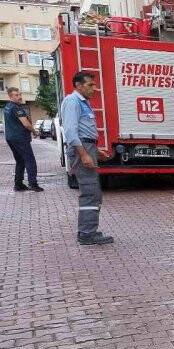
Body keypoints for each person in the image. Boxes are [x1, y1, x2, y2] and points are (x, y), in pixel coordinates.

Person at [60, 72, 113, 245]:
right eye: (90, 85)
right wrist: (84, 154)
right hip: (81, 150)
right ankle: (86, 234)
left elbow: (83, 132)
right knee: (90, 192)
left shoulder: (83, 103)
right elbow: (70, 132)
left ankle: (89, 230)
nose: (94, 89)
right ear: (78, 85)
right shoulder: (73, 101)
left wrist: (95, 151)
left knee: (93, 193)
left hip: (87, 147)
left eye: (94, 85)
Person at [4, 87, 42, 192]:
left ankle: (18, 184)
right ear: (10, 96)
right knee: (30, 160)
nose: (19, 97)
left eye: (19, 94)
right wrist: (34, 131)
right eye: (16, 95)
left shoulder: (7, 107)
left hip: (10, 138)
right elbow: (25, 123)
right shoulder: (17, 108)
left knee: (20, 161)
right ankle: (33, 184)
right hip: (20, 138)